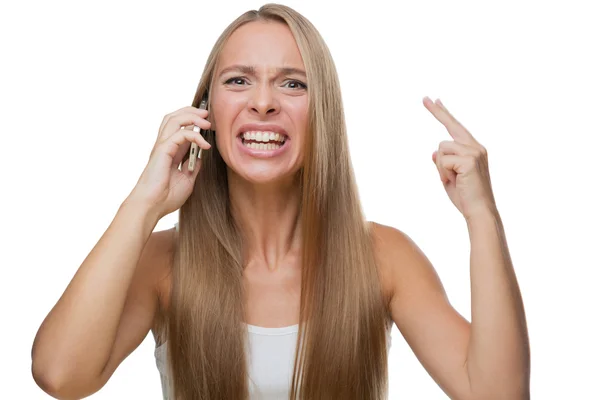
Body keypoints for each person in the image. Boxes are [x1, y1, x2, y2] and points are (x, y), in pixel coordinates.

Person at [31, 3, 530, 400]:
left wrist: (483, 217)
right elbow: (60, 376)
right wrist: (143, 202)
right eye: (238, 80)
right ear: (205, 112)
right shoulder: (164, 263)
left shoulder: (384, 258)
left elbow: (499, 394)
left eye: (293, 83)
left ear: (323, 114)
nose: (264, 101)